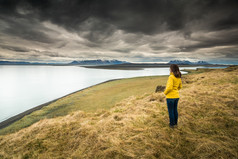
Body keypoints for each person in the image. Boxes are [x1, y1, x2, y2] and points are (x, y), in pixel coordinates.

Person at [163, 64, 182, 128]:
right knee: (175, 110)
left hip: (170, 97)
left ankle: (172, 125)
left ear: (172, 69)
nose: (169, 69)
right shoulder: (178, 77)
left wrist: (165, 93)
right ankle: (175, 123)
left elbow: (169, 88)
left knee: (171, 111)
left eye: (170, 68)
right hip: (176, 96)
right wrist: (175, 90)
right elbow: (180, 86)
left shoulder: (171, 77)